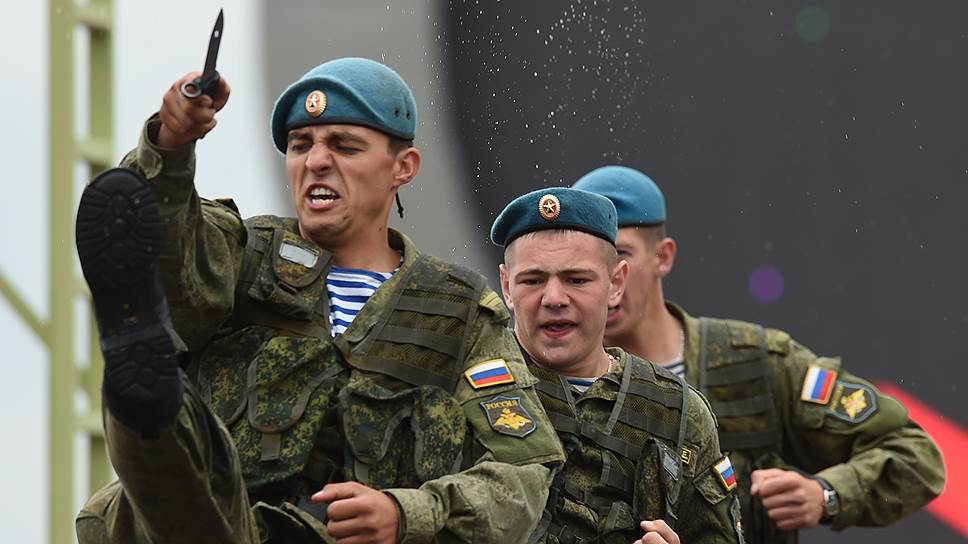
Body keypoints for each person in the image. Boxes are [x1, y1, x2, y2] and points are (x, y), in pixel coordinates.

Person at [73, 58, 565, 544]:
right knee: (158, 403)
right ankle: (139, 374)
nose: (315, 162)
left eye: (345, 146)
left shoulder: (458, 312)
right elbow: (175, 255)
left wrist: (407, 513)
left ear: (403, 167)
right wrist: (170, 146)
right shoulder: (240, 257)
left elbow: (522, 475)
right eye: (300, 145)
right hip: (216, 525)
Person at [572, 165, 946, 543]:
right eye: (586, 268)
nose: (610, 279)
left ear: (663, 257)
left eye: (621, 256)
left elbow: (914, 455)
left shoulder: (750, 364)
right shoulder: (555, 381)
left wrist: (826, 495)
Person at [490, 187, 745, 544]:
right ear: (506, 285)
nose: (553, 299)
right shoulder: (464, 387)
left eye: (576, 280)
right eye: (533, 280)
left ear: (616, 284)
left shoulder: (678, 414)